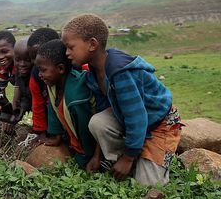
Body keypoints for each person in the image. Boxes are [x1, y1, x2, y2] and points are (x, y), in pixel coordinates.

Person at [62, 14, 183, 185]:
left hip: (159, 122)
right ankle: (122, 157)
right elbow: (104, 110)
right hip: (129, 118)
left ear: (92, 44)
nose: (67, 53)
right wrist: (97, 156)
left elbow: (137, 118)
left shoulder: (120, 73)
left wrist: (127, 158)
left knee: (147, 185)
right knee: (98, 122)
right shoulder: (92, 73)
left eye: (70, 47)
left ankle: (132, 157)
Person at [35, 39, 97, 169]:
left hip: (92, 142)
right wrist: (56, 136)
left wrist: (87, 155)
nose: (40, 75)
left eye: (43, 70)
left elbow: (85, 130)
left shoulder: (76, 96)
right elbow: (53, 109)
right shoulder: (52, 85)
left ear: (61, 69)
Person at [27, 27, 65, 145]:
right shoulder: (36, 75)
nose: (34, 62)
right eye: (32, 58)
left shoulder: (75, 72)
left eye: (37, 56)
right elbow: (37, 104)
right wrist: (40, 133)